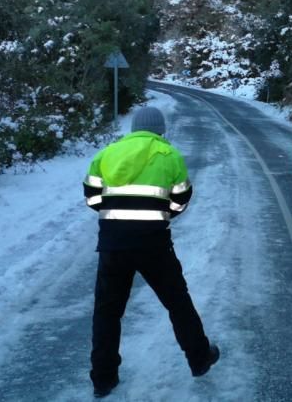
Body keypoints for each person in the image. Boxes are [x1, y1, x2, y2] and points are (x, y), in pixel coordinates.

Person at [82, 106, 219, 398]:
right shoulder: (169, 155)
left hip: (113, 245)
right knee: (177, 303)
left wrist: (114, 212)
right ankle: (199, 359)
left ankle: (103, 379)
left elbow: (92, 196)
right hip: (154, 244)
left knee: (107, 312)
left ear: (134, 128)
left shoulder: (107, 154)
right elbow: (181, 198)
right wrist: (160, 215)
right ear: (161, 129)